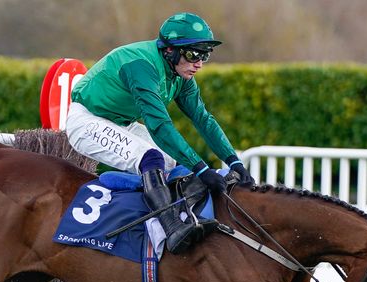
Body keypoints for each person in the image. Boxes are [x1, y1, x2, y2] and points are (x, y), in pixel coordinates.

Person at [66, 12, 255, 254]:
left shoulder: (180, 75)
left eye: (205, 54)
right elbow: (159, 126)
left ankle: (164, 219)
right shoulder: (141, 66)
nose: (199, 63)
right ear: (169, 51)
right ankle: (170, 228)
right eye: (193, 53)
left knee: (168, 161)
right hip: (86, 121)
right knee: (151, 158)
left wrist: (235, 161)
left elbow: (203, 119)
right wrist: (202, 169)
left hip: (119, 123)